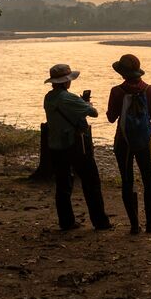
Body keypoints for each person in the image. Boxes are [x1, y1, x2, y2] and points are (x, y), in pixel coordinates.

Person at [43, 63, 112, 232]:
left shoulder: (49, 97)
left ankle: (66, 222)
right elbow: (94, 112)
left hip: (55, 145)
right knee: (91, 182)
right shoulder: (69, 98)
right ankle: (100, 222)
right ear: (67, 81)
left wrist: (79, 104)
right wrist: (85, 103)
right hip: (76, 145)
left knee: (63, 184)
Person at [106, 54, 151, 234]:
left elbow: (110, 118)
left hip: (123, 140)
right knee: (149, 181)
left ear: (122, 73)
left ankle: (134, 225)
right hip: (143, 140)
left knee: (127, 181)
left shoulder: (117, 91)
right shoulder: (150, 90)